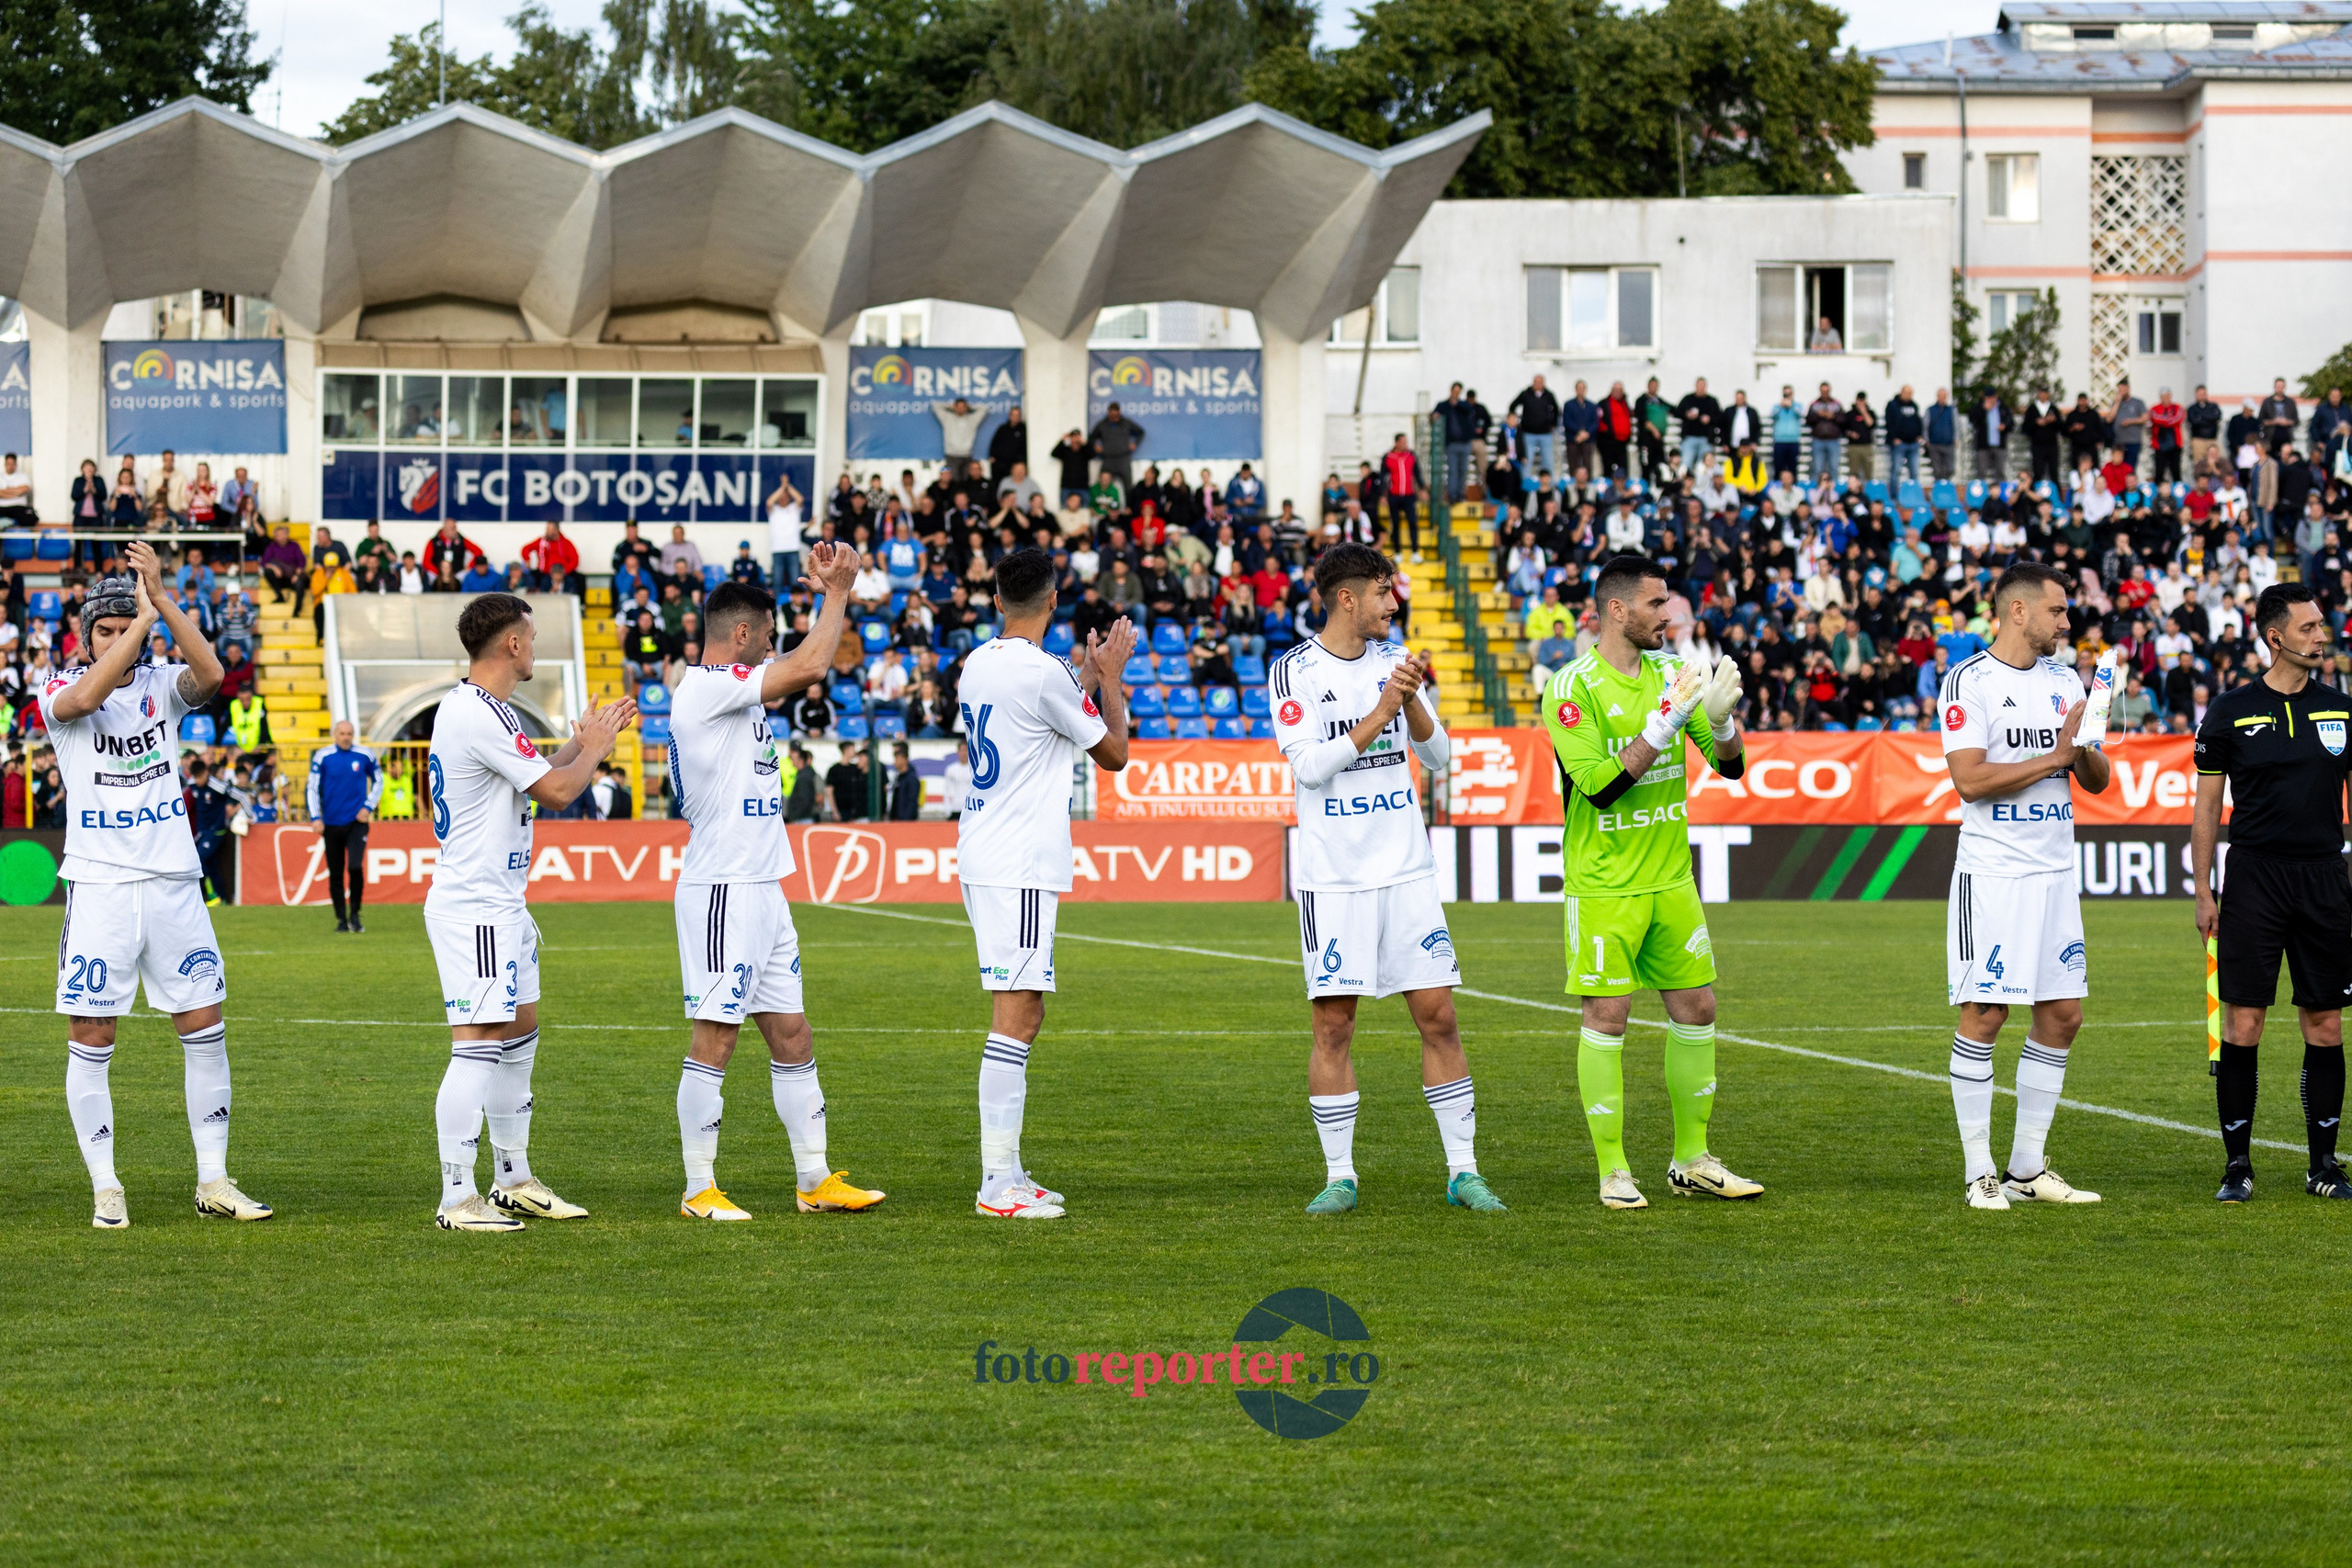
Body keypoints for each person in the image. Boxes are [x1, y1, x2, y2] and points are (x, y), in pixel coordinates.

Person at [38, 544, 271, 1228]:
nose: (118, 638)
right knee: (93, 1033)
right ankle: (106, 1184)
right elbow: (88, 694)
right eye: (104, 631)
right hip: (102, 887)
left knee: (205, 1027)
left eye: (124, 627)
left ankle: (214, 1178)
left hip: (172, 885)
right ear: (86, 638)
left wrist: (163, 601)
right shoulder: (57, 689)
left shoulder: (161, 683)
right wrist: (140, 623)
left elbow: (214, 673)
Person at [1270, 542, 1500, 1215]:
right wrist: (1378, 712)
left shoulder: (1392, 664)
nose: (1392, 604)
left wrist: (1410, 698)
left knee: (1440, 1016)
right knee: (1334, 1026)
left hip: (1405, 873)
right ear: (1348, 598)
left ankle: (1464, 1172)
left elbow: (1440, 756)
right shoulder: (1294, 671)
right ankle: (1340, 1175)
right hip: (1335, 879)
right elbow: (1310, 767)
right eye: (1382, 593)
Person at [666, 555, 887, 1222]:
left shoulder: (732, 689)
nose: (773, 644)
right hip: (722, 889)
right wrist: (839, 592)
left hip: (763, 886)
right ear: (740, 638)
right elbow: (811, 664)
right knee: (717, 1037)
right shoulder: (706, 687)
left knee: (792, 1034)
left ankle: (813, 1180)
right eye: (766, 635)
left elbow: (796, 665)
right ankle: (698, 1187)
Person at [1541, 554, 1758, 1209]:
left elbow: (1732, 767)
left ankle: (1692, 1158)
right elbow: (1602, 788)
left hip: (1671, 880)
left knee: (1698, 1007)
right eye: (1657, 604)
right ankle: (1613, 1169)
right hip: (1605, 882)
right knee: (1607, 1016)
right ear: (1616, 610)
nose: (1669, 615)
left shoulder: (1674, 671)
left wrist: (1720, 722)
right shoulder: (1570, 687)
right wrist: (1663, 722)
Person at [422, 593, 636, 1231]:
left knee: (518, 1030)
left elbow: (544, 772)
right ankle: (457, 1195)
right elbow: (562, 790)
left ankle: (513, 1177)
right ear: (511, 644)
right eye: (532, 637)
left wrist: (581, 743)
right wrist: (594, 749)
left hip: (503, 902)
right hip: (476, 903)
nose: (536, 646)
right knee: (479, 1040)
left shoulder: (488, 709)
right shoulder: (475, 713)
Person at [956, 547, 1133, 1219]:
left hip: (986, 848)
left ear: (997, 599)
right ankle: (997, 1182)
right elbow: (1113, 753)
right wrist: (1109, 678)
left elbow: (1048, 708)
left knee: (1023, 1008)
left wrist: (1085, 672)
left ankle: (1009, 1170)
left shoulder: (980, 662)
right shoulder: (1042, 673)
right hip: (1020, 858)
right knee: (1019, 1012)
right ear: (1055, 601)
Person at [1939, 561, 2111, 1210]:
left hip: (2055, 873)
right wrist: (2056, 755)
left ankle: (2026, 1167)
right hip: (1995, 875)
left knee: (2063, 1016)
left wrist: (2088, 738)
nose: (2067, 623)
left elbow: (2093, 779)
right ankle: (1979, 1171)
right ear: (2018, 611)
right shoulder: (1968, 680)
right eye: (2058, 611)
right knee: (1986, 1013)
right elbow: (1971, 780)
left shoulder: (2067, 680)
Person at [2193, 582, 2352, 1204]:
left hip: (2324, 879)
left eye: (2322, 625)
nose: (2323, 635)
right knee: (2244, 1022)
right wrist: (2205, 892)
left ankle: (2324, 1165)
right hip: (2254, 878)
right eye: (2311, 627)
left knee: (2326, 1024)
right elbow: (2207, 808)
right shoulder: (2230, 710)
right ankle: (2238, 1166)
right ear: (2276, 635)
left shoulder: (2341, 708)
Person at [309, 719, 381, 934]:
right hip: (331, 823)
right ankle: (341, 919)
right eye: (342, 733)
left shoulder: (365, 755)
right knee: (336, 873)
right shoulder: (323, 756)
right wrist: (315, 817)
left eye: (349, 733)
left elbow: (379, 780)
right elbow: (312, 787)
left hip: (356, 822)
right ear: (335, 734)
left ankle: (356, 914)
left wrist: (368, 806)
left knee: (355, 867)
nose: (346, 737)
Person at [1087, 402, 1145, 495]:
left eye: (1117, 415)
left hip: (1123, 459)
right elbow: (1091, 438)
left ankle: (1128, 508)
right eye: (1112, 415)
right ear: (1108, 413)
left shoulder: (1126, 423)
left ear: (1119, 413)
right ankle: (1102, 507)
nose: (1115, 417)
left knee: (1128, 487)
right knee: (1102, 484)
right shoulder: (1102, 425)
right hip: (1108, 459)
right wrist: (1095, 446)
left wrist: (1135, 444)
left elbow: (1141, 432)